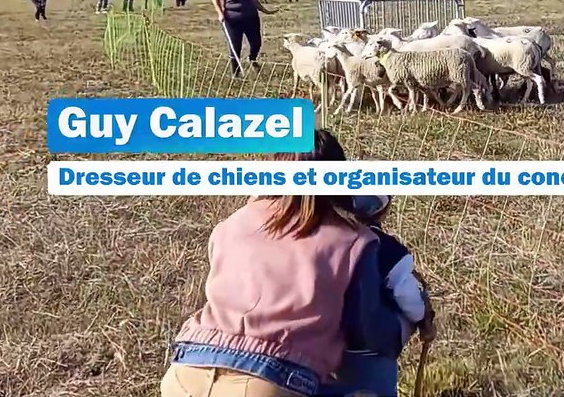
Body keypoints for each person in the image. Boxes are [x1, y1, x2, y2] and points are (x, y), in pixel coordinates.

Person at [160, 129, 406, 397]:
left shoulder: (234, 222)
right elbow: (368, 330)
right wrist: (409, 322)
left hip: (186, 370)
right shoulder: (354, 241)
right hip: (265, 382)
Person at [332, 195, 436, 397]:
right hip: (373, 346)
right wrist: (425, 318)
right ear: (384, 209)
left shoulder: (328, 239)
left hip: (326, 344)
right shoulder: (388, 248)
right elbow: (407, 296)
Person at [212, 0, 278, 76]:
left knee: (256, 43)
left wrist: (264, 10)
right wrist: (220, 13)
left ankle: (252, 59)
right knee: (235, 46)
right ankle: (236, 73)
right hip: (232, 20)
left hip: (251, 18)